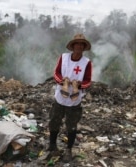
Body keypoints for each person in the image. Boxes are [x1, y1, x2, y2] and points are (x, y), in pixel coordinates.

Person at [48, 33, 92, 163]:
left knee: (72, 125)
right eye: (76, 44)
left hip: (75, 98)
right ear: (72, 46)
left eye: (81, 44)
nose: (79, 46)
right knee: (54, 120)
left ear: (84, 47)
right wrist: (62, 81)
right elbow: (56, 73)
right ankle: (52, 146)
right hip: (60, 95)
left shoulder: (86, 63)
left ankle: (68, 149)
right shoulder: (64, 58)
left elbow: (88, 81)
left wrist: (80, 85)